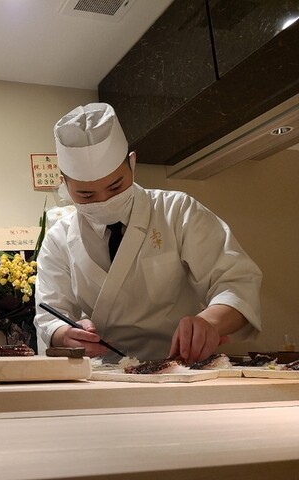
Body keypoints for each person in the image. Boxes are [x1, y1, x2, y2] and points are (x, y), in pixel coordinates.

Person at [34, 103, 262, 363]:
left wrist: (210, 322)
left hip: (182, 364)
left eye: (116, 186)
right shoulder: (58, 239)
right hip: (103, 373)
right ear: (64, 184)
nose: (104, 200)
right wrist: (65, 335)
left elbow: (236, 281)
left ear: (132, 163)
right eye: (86, 194)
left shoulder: (176, 211)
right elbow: (50, 315)